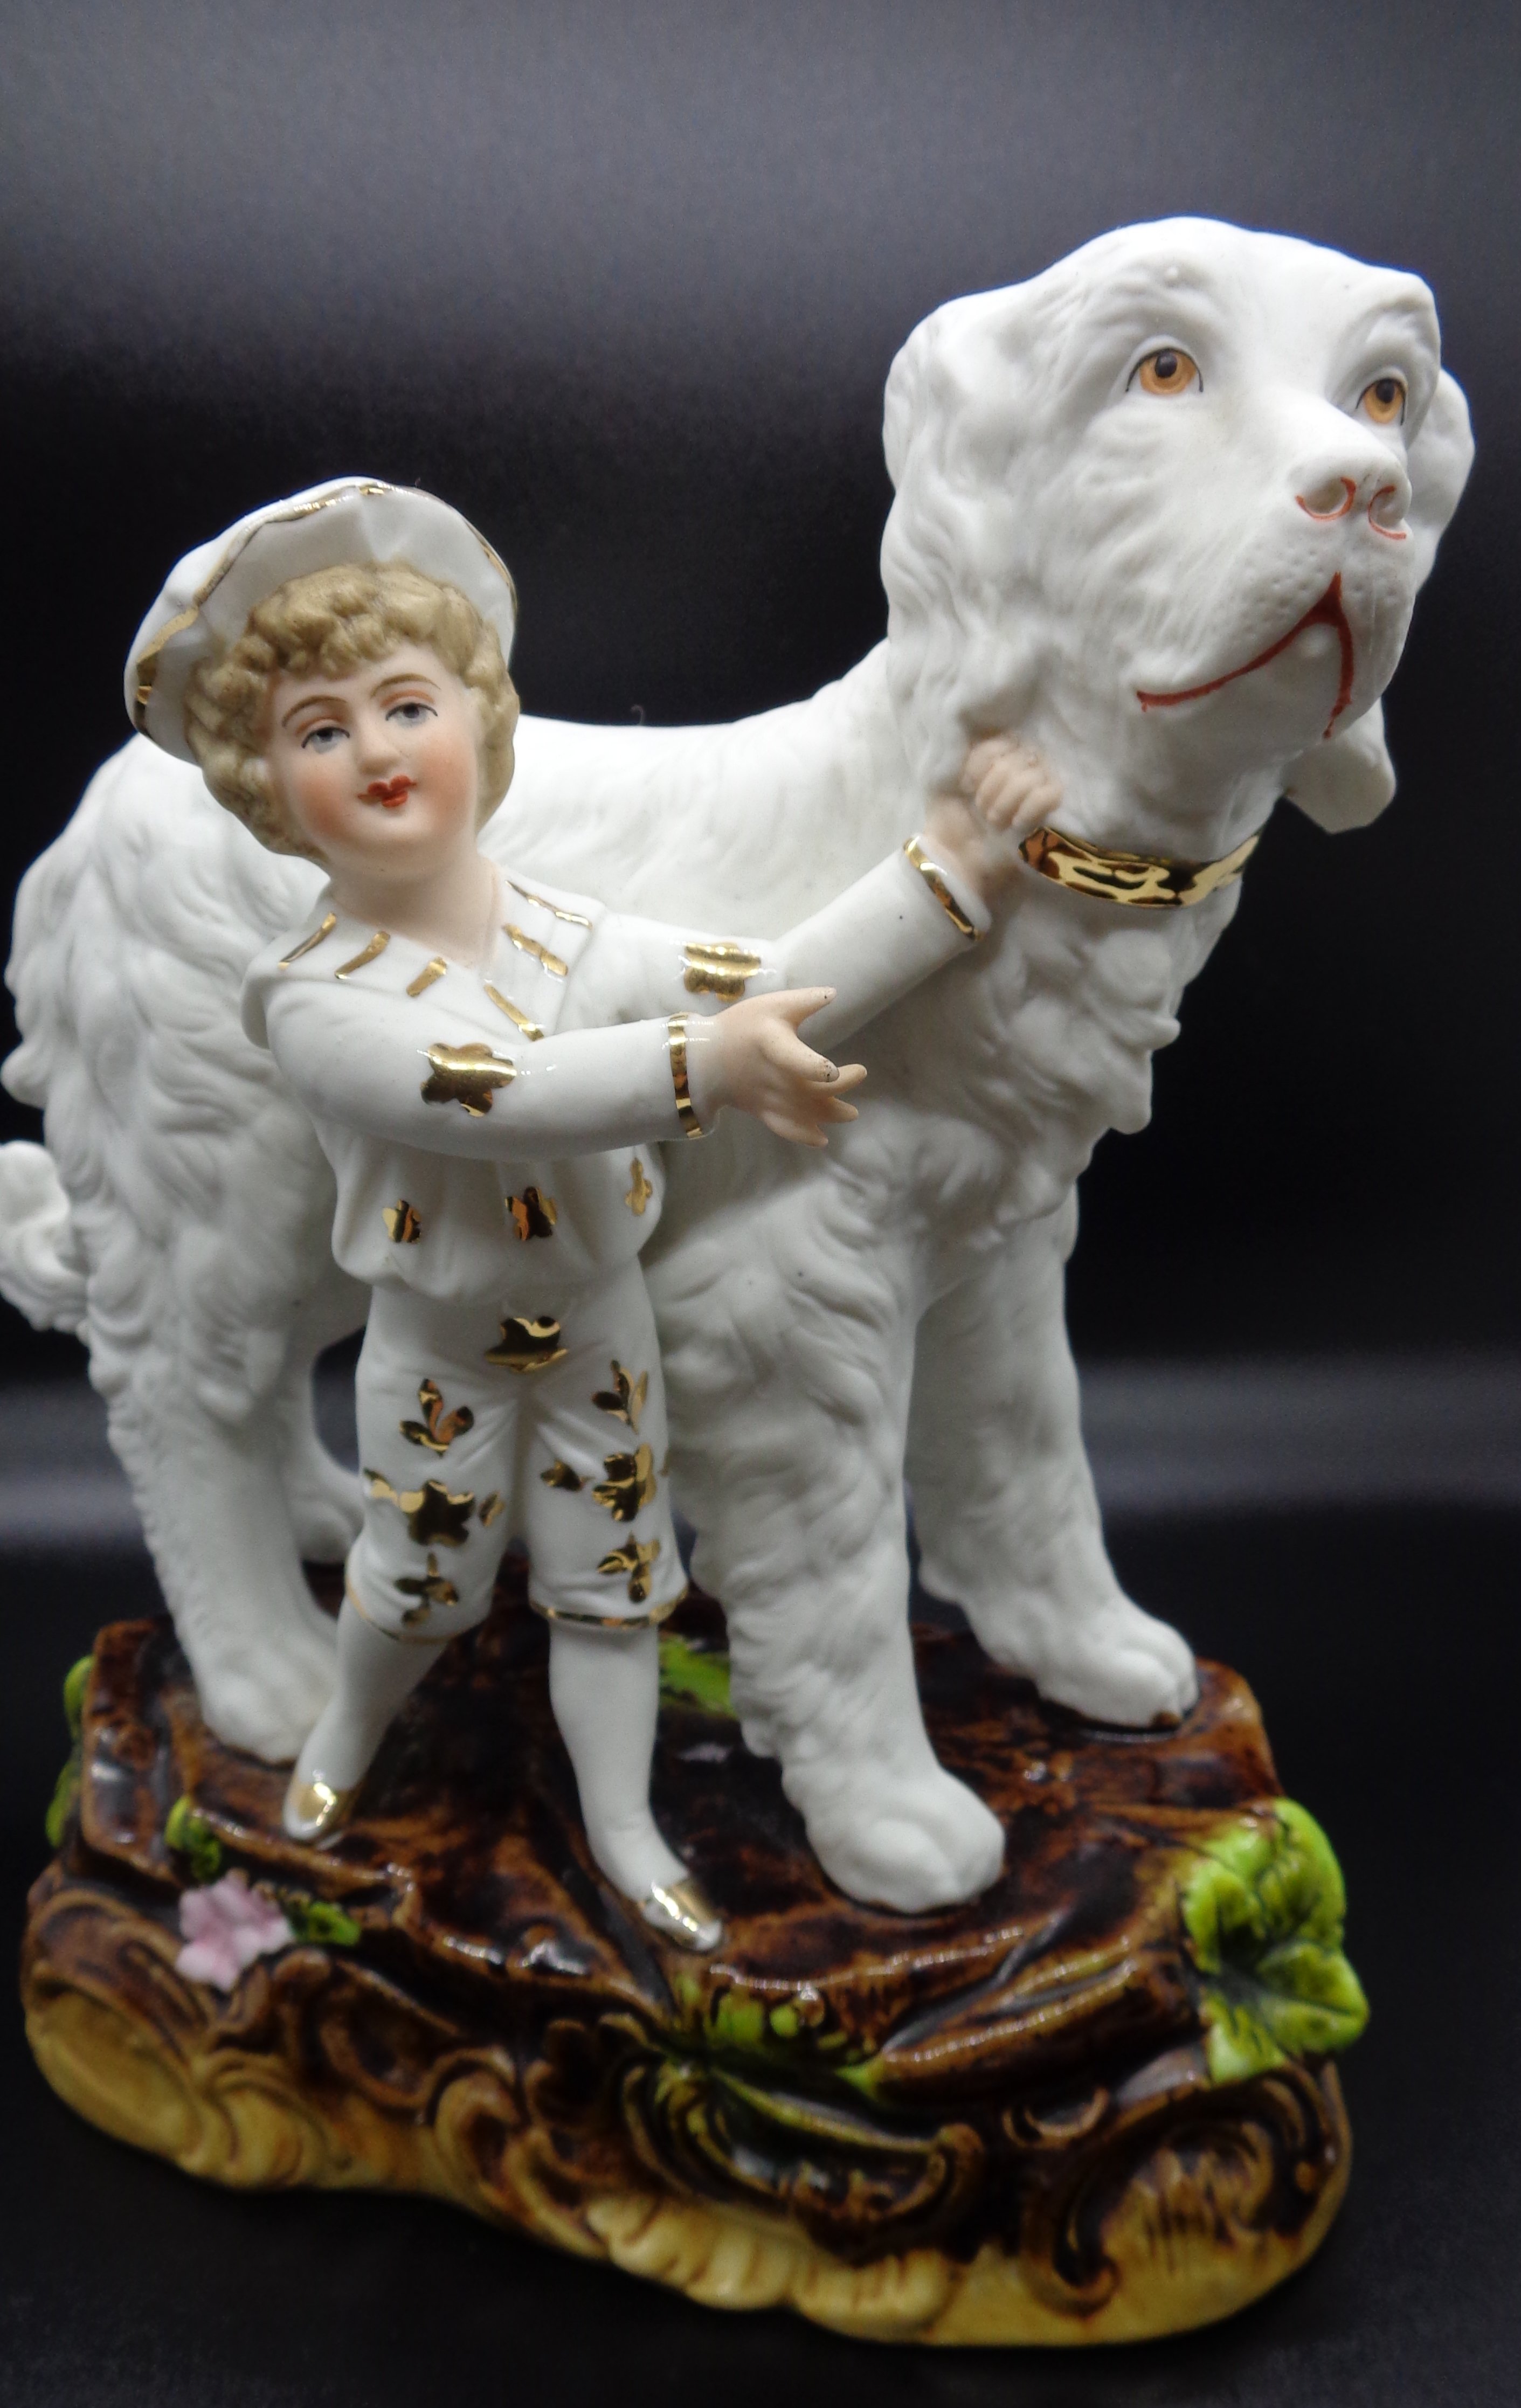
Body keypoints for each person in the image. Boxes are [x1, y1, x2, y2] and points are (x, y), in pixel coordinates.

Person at [127, 477, 1059, 1949]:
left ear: (478, 722)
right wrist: (710, 1066)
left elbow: (770, 980)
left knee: (614, 1588)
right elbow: (489, 1091)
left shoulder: (570, 933)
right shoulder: (310, 995)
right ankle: (346, 1734)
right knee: (419, 1583)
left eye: (406, 706)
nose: (378, 750)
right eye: (321, 731)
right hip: (440, 1339)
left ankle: (623, 1827)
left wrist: (948, 874)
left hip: (598, 1330)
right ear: (266, 787)